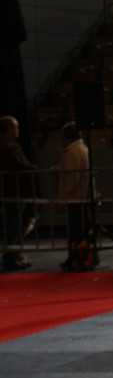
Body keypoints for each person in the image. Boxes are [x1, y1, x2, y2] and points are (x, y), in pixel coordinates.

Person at [55, 122, 95, 271]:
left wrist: (64, 194)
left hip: (75, 196)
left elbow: (73, 175)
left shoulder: (72, 151)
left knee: (76, 230)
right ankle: (78, 257)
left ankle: (78, 258)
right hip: (80, 195)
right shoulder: (81, 148)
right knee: (80, 229)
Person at [0, 115, 35, 271]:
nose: (18, 130)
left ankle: (15, 256)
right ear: (9, 129)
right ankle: (10, 258)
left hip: (17, 191)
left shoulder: (11, 144)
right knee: (13, 225)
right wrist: (34, 168)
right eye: (16, 127)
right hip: (12, 191)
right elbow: (17, 164)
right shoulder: (5, 145)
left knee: (16, 224)